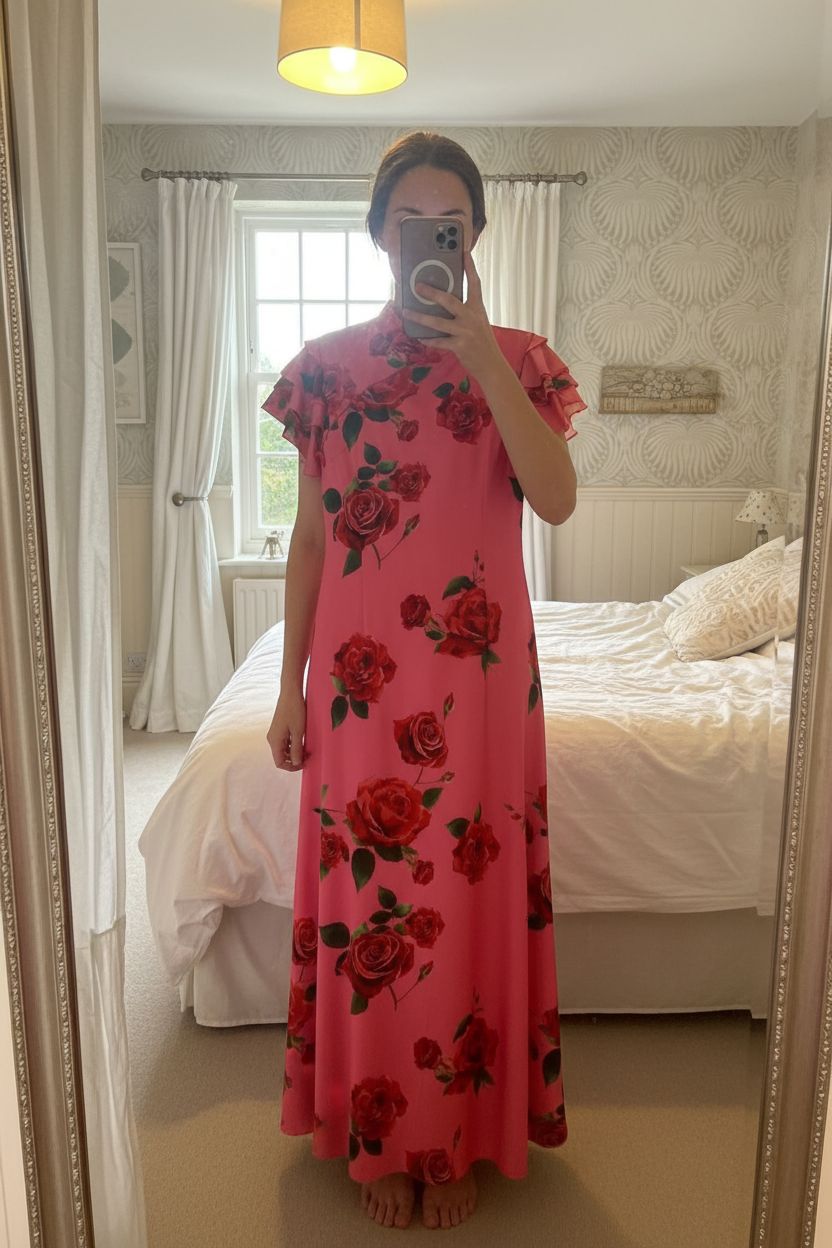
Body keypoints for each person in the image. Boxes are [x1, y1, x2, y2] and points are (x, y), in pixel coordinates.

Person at [264, 131, 586, 1231]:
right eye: (408, 224)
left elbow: (556, 501)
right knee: (377, 908)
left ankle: (458, 1134)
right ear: (378, 235)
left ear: (476, 237)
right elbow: (310, 544)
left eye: (447, 224)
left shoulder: (523, 359)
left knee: (468, 899)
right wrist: (286, 689)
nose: (427, 243)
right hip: (363, 694)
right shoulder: (323, 371)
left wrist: (486, 357)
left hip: (483, 693)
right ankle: (382, 1135)